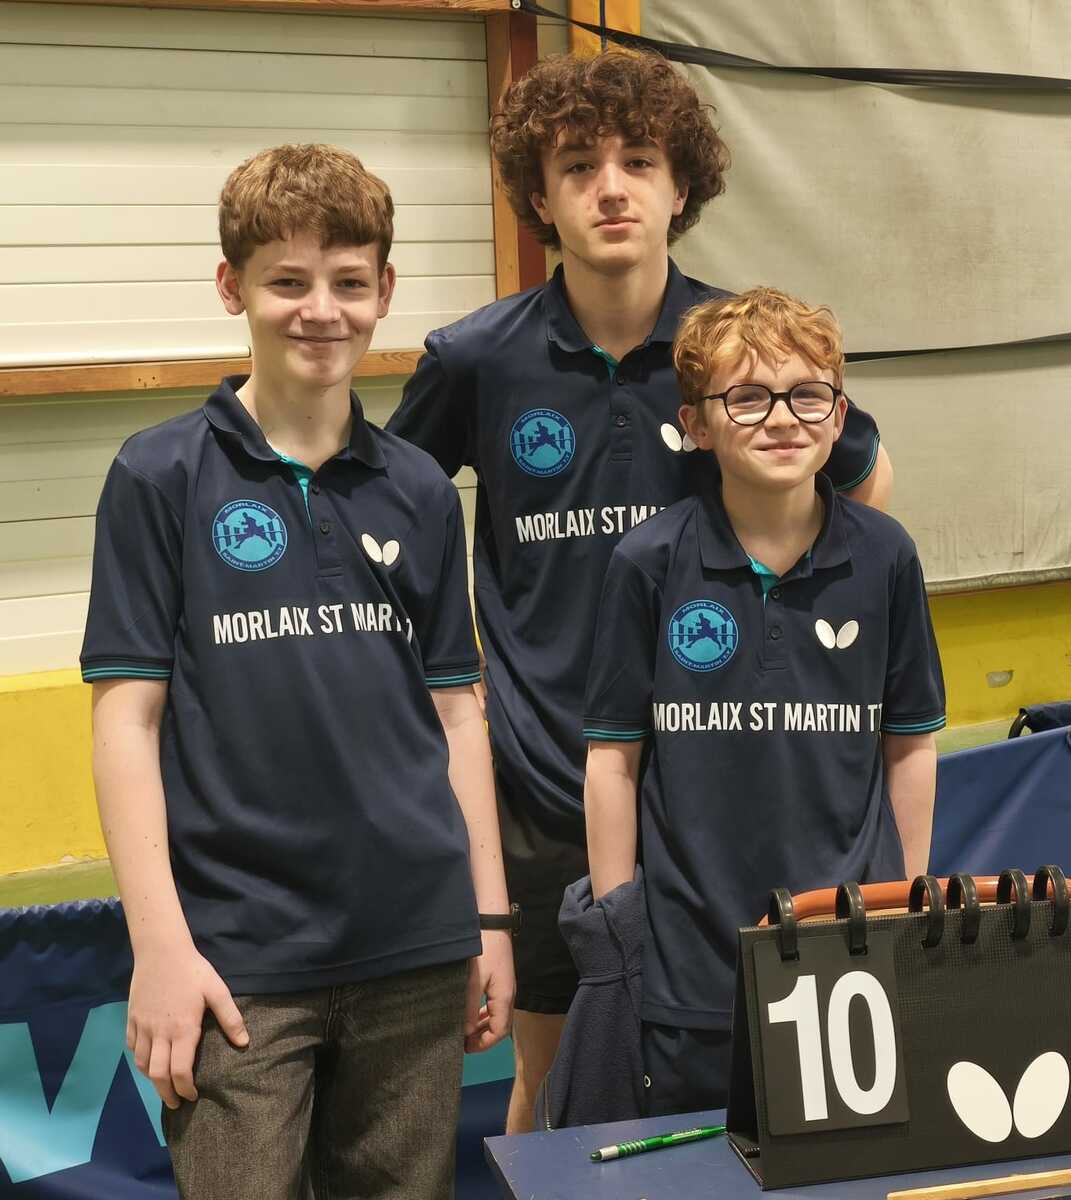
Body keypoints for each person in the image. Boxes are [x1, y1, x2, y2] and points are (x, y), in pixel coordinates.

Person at [385, 49, 894, 1132]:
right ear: (539, 197)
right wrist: (456, 686)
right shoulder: (476, 359)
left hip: (724, 789)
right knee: (562, 1084)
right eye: (578, 166)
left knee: (769, 1082)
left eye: (639, 162)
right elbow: (389, 515)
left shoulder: (739, 351)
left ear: (681, 186)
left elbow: (867, 486)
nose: (610, 188)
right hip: (547, 784)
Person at [80, 143, 514, 1197]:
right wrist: (160, 947)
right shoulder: (158, 475)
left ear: (385, 292)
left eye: (349, 282)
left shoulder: (419, 486)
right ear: (232, 287)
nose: (321, 310)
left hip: (414, 944)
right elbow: (127, 722)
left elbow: (457, 714)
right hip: (237, 961)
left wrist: (489, 918)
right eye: (288, 281)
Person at [582, 286, 944, 1115]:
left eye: (807, 395)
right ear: (697, 425)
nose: (782, 419)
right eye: (747, 398)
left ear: (839, 414)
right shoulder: (646, 563)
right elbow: (613, 760)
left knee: (846, 1164)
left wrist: (906, 905)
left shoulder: (886, 557)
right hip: (689, 969)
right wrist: (619, 930)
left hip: (849, 953)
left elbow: (911, 746)